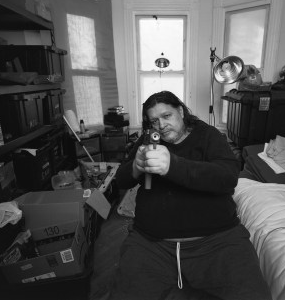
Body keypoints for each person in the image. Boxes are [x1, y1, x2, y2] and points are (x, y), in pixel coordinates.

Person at [109, 91, 271, 300]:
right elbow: (121, 181)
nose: (161, 125)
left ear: (181, 111)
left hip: (217, 241)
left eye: (167, 116)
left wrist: (172, 166)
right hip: (151, 243)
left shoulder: (209, 135)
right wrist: (136, 167)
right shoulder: (148, 140)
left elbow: (227, 177)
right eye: (154, 121)